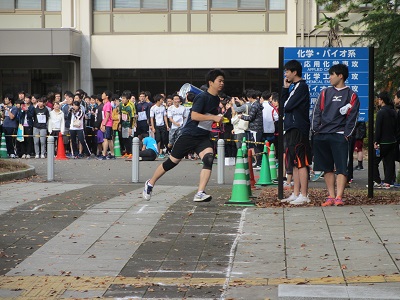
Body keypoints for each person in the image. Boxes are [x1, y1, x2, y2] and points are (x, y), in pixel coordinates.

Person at [142, 69, 225, 202]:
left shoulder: (215, 99)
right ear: (211, 82)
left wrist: (217, 120)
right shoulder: (202, 97)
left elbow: (208, 117)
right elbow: (194, 115)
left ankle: (200, 192)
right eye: (219, 81)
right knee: (172, 162)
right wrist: (215, 117)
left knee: (209, 159)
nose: (222, 83)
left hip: (203, 136)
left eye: (223, 81)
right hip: (189, 135)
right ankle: (150, 183)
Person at [312, 63, 360, 205]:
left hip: (340, 136)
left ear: (340, 76)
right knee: (327, 167)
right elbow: (316, 112)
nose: (329, 78)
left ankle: (339, 197)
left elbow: (353, 117)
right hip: (322, 135)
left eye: (332, 75)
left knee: (341, 168)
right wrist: (316, 130)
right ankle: (331, 196)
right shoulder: (325, 92)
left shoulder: (351, 95)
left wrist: (347, 134)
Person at [280, 60, 312, 205]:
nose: (285, 74)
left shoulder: (301, 87)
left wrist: (286, 92)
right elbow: (283, 105)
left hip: (298, 128)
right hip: (291, 127)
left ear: (294, 72)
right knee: (293, 162)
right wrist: (285, 88)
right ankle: (296, 192)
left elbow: (287, 105)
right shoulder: (293, 87)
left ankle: (304, 195)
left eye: (287, 71)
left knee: (301, 161)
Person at [371, 91, 398, 188]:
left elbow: (378, 129)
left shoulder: (381, 112)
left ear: (381, 100)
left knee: (373, 161)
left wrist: (376, 141)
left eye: (378, 99)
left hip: (382, 142)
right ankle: (388, 182)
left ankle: (377, 180)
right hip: (392, 141)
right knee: (390, 162)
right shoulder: (393, 111)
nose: (378, 101)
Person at [238, 89, 264, 168]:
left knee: (256, 146)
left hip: (255, 128)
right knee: (257, 146)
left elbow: (251, 117)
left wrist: (241, 116)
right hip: (258, 128)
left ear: (249, 97)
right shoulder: (258, 104)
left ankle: (258, 162)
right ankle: (258, 162)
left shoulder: (254, 105)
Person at [150, 94, 169, 158]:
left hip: (162, 125)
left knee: (163, 138)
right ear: (158, 100)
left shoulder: (163, 107)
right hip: (156, 125)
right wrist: (153, 127)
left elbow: (165, 116)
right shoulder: (153, 108)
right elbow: (152, 118)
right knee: (158, 139)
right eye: (161, 99)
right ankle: (156, 151)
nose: (162, 101)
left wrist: (167, 125)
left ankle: (160, 152)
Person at [98, 90, 115, 160]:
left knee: (105, 139)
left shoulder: (108, 104)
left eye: (103, 94)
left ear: (107, 96)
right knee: (109, 139)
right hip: (107, 123)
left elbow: (107, 116)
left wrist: (103, 124)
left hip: (108, 123)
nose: (102, 95)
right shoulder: (106, 104)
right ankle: (112, 154)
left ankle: (104, 154)